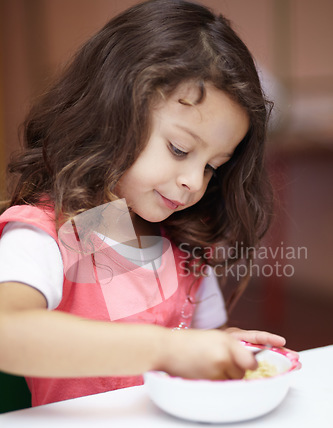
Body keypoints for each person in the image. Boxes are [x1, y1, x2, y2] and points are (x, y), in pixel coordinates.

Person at [0, 0, 285, 407]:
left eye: (212, 167)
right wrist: (166, 348)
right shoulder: (48, 234)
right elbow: (7, 333)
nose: (192, 181)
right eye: (179, 148)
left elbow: (193, 342)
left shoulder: (185, 241)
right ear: (111, 112)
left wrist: (218, 348)